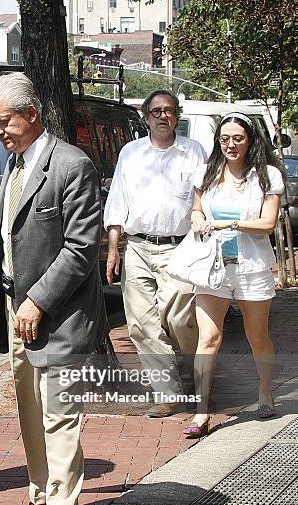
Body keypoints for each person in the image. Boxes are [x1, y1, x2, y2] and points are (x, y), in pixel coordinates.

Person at [0, 73, 108, 505]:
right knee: (28, 408)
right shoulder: (13, 167)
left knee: (59, 415)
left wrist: (38, 300)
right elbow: (16, 235)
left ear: (31, 115)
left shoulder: (73, 166)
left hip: (60, 314)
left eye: (2, 121)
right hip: (17, 310)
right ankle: (41, 489)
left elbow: (80, 249)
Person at [104, 89, 206, 417]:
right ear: (146, 117)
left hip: (182, 247)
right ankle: (169, 390)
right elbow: (117, 201)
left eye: (170, 111)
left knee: (178, 317)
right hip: (137, 246)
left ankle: (193, 367)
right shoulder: (131, 154)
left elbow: (202, 196)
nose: (164, 116)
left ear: (177, 116)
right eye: (157, 111)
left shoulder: (192, 151)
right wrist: (113, 249)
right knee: (140, 324)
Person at [183, 112, 285, 437]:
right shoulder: (207, 172)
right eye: (225, 138)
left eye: (238, 138)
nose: (230, 144)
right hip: (211, 268)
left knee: (257, 337)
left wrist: (230, 224)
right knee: (209, 338)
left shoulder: (267, 176)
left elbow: (268, 223)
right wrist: (198, 219)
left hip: (251, 268)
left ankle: (265, 393)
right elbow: (196, 209)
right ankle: (201, 412)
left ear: (250, 140)